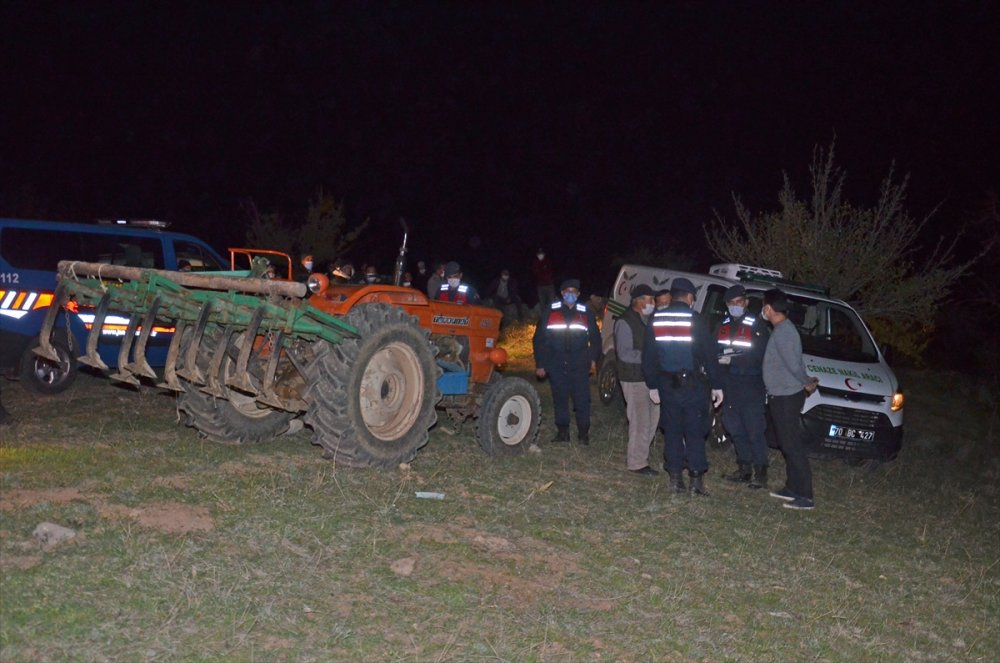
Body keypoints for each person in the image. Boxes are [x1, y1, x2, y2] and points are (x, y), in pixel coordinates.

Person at [642, 277, 724, 495]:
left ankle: (675, 480)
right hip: (693, 386)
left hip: (666, 385)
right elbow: (709, 355)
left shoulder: (656, 319)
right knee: (695, 432)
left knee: (673, 431)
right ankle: (696, 482)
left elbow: (648, 355)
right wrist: (717, 385)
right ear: (689, 297)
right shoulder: (695, 319)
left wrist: (652, 385)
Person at [761, 288, 820, 510]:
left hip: (787, 396)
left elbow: (793, 364)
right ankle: (792, 488)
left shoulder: (784, 331)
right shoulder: (783, 329)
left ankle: (805, 495)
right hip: (782, 394)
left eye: (764, 307)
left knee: (792, 444)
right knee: (786, 442)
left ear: (769, 308)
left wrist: (806, 381)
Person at [716, 284, 771, 488]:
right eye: (731, 303)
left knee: (754, 429)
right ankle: (744, 469)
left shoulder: (756, 325)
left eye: (739, 302)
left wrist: (734, 361)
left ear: (746, 303)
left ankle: (760, 473)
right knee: (735, 428)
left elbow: (761, 356)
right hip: (730, 384)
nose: (735, 306)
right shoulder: (723, 324)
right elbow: (715, 348)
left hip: (751, 384)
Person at [533, 279, 601, 444]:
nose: (570, 294)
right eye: (567, 291)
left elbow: (595, 339)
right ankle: (563, 433)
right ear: (562, 293)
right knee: (560, 398)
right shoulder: (550, 311)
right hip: (556, 361)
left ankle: (583, 434)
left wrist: (592, 360)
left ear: (578, 294)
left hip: (579, 362)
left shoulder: (585, 312)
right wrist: (541, 364)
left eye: (574, 291)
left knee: (582, 399)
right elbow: (539, 339)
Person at [615, 284, 659, 475]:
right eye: (650, 299)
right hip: (633, 378)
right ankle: (637, 463)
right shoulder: (625, 322)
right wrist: (650, 357)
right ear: (639, 301)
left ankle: (641, 455)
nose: (653, 303)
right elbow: (625, 354)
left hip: (650, 377)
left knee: (652, 420)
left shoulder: (648, 320)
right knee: (640, 421)